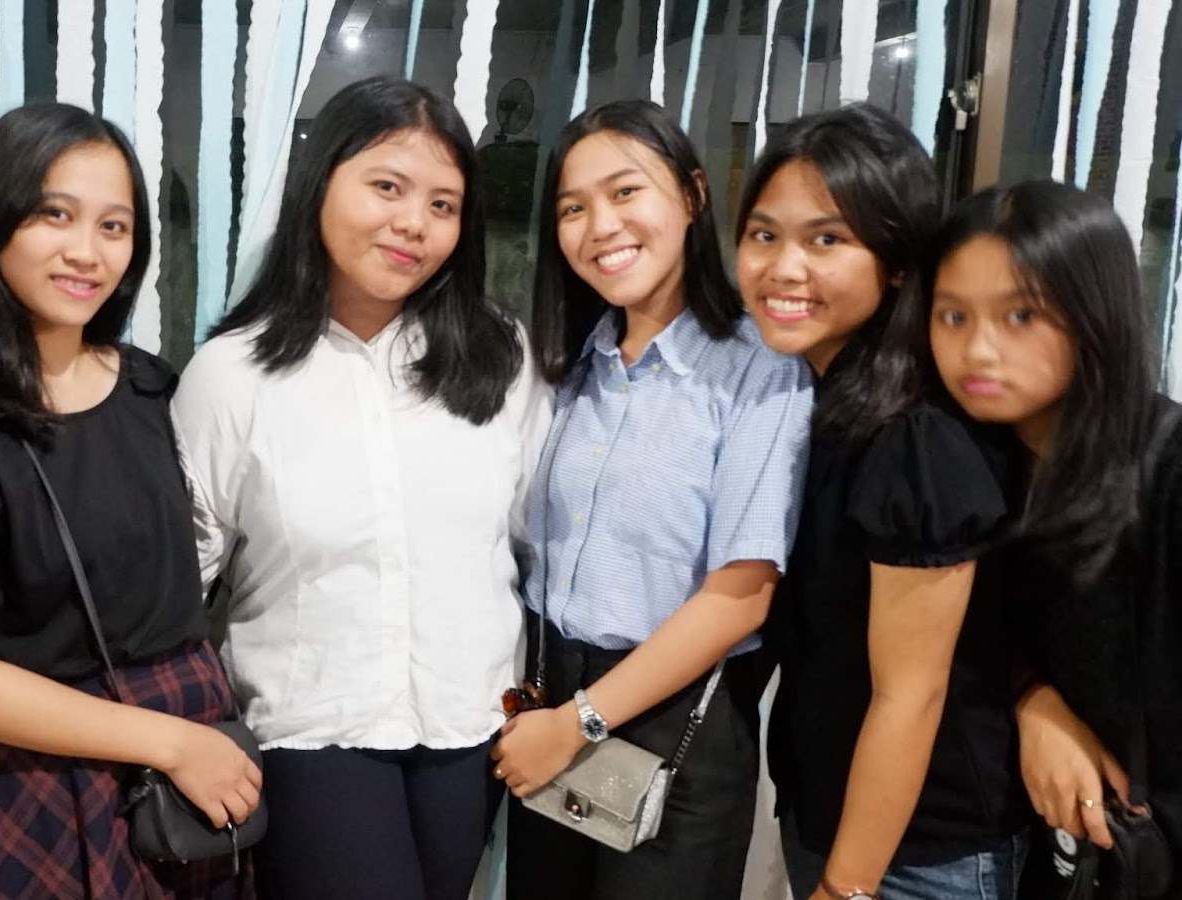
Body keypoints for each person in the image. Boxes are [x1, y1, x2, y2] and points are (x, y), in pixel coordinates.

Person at [171, 75, 550, 900]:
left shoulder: (500, 356)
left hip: (469, 727)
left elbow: (532, 541)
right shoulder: (232, 375)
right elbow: (181, 578)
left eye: (443, 205)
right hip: (311, 731)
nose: (414, 223)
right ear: (321, 185)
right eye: (387, 186)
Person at [0, 103, 257, 899]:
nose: (87, 251)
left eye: (114, 227)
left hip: (193, 762)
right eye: (55, 215)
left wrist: (193, 744)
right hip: (52, 777)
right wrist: (171, 744)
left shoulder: (151, 387)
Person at [494, 98, 813, 900]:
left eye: (625, 191)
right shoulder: (575, 366)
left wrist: (580, 721)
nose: (601, 225)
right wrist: (553, 718)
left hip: (676, 717)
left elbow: (741, 595)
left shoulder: (759, 367)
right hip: (549, 695)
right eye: (573, 208)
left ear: (694, 195)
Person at [735, 105, 1030, 900]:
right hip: (831, 815)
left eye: (826, 240)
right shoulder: (822, 400)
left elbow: (913, 694)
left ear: (897, 262)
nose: (783, 268)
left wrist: (847, 888)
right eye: (763, 235)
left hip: (919, 857)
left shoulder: (916, 437)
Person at [923, 180, 1182, 890]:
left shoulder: (1165, 468)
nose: (978, 349)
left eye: (1021, 315)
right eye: (952, 315)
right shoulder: (968, 467)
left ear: (1095, 315)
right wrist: (1034, 698)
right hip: (1060, 860)